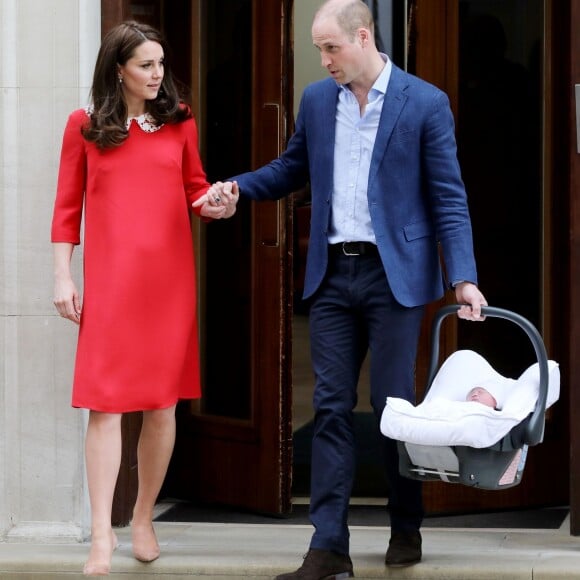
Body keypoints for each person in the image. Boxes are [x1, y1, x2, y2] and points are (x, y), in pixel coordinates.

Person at [198, 0, 487, 577]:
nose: (323, 59)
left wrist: (463, 278)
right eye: (318, 49)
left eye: (330, 48)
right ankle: (328, 547)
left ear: (362, 37)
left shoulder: (425, 103)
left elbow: (449, 198)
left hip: (396, 277)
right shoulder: (316, 100)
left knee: (392, 409)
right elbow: (290, 167)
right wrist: (238, 188)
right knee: (329, 408)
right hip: (332, 274)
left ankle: (406, 524)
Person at [51, 21, 236, 576]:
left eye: (161, 64)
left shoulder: (180, 124)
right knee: (105, 408)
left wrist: (218, 203)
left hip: (168, 285)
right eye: (146, 65)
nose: (158, 75)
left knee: (161, 406)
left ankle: (143, 517)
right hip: (111, 285)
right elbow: (65, 210)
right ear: (118, 70)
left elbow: (195, 191)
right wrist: (63, 277)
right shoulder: (83, 127)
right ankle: (101, 536)